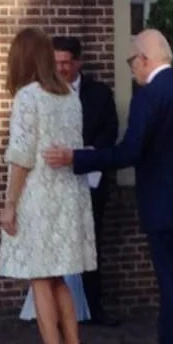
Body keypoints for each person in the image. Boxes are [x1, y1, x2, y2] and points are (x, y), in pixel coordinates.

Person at [44, 29, 173, 344]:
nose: (132, 71)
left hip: (165, 209)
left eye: (132, 63)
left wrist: (76, 158)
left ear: (145, 59)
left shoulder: (150, 97)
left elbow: (129, 151)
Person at [0, 28, 96, 344]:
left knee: (40, 278)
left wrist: (9, 204)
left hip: (38, 195)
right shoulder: (69, 95)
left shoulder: (27, 97)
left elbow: (22, 155)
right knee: (59, 279)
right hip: (68, 194)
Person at [53, 36, 120, 325]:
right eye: (56, 63)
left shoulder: (99, 94)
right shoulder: (45, 93)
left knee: (90, 244)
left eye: (67, 62)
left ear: (78, 62)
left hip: (90, 180)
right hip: (56, 182)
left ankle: (94, 307)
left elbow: (109, 133)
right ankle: (55, 310)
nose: (62, 68)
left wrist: (85, 157)